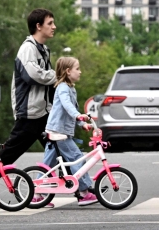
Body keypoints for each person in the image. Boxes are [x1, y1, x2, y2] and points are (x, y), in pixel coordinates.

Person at [0, 8, 57, 182]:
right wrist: (58, 75)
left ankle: (79, 189)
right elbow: (32, 75)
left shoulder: (43, 50)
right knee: (10, 152)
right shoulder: (27, 49)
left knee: (59, 149)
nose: (54, 27)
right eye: (50, 23)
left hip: (44, 111)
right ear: (38, 26)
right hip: (30, 113)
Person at [42, 56, 98, 206]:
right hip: (59, 133)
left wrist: (81, 123)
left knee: (48, 165)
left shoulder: (70, 88)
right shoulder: (63, 88)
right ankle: (84, 192)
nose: (80, 72)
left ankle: (38, 195)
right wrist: (78, 116)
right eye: (77, 69)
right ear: (68, 71)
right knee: (76, 157)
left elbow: (71, 111)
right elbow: (68, 106)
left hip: (55, 131)